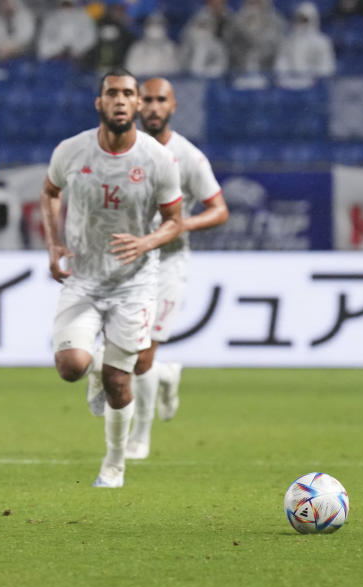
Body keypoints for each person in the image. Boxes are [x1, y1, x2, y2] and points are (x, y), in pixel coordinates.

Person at [40, 69, 183, 489]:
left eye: (128, 94)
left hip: (134, 282)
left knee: (121, 380)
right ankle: (94, 368)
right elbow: (49, 192)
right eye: (111, 93)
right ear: (98, 103)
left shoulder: (158, 159)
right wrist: (53, 244)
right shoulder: (71, 151)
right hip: (84, 277)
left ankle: (114, 465)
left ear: (138, 103)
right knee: (70, 367)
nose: (120, 100)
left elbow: (175, 221)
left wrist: (146, 242)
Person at [126, 77, 229, 461]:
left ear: (173, 106)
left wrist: (181, 223)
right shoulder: (120, 151)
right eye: (146, 100)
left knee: (142, 355)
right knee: (117, 354)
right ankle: (167, 375)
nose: (153, 107)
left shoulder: (187, 156)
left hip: (167, 262)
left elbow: (219, 209)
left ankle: (140, 436)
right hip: (125, 264)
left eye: (160, 100)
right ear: (136, 105)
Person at [275, 2, 336, 81]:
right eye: (299, 19)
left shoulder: (322, 42)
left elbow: (327, 67)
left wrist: (310, 74)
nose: (301, 22)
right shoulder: (288, 41)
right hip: (290, 83)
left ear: (313, 19)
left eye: (305, 20)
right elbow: (281, 64)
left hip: (314, 84)